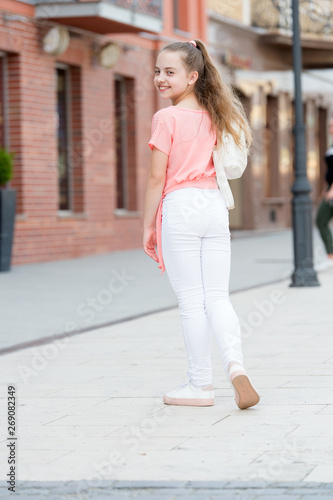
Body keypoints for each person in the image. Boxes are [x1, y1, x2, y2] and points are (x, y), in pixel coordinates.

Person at [142, 39, 260, 410]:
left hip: (180, 207)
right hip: (214, 206)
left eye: (170, 72)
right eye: (158, 71)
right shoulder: (215, 114)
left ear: (192, 77)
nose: (160, 78)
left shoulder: (166, 118)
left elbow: (155, 179)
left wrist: (148, 227)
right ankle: (235, 365)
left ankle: (200, 385)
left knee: (192, 301)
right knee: (217, 295)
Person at [316, 118, 333, 263]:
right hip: (329, 188)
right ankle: (330, 252)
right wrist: (325, 188)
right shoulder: (331, 146)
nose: (330, 129)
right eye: (329, 126)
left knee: (321, 219)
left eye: (332, 126)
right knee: (321, 220)